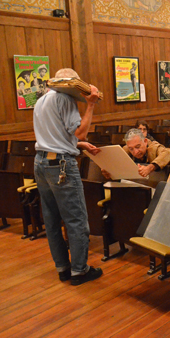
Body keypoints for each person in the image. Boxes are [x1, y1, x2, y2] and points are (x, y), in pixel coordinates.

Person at [33, 68, 103, 285]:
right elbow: (79, 132)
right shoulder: (65, 100)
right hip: (61, 165)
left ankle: (63, 268)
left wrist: (78, 145)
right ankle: (80, 271)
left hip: (41, 162)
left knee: (52, 219)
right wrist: (90, 104)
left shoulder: (42, 100)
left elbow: (55, 136)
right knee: (76, 219)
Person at [102, 128, 170, 179]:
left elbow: (168, 153)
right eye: (131, 149)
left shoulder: (153, 147)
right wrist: (110, 171)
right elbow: (115, 162)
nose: (135, 152)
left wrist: (150, 167)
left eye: (138, 147)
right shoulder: (126, 149)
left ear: (145, 141)